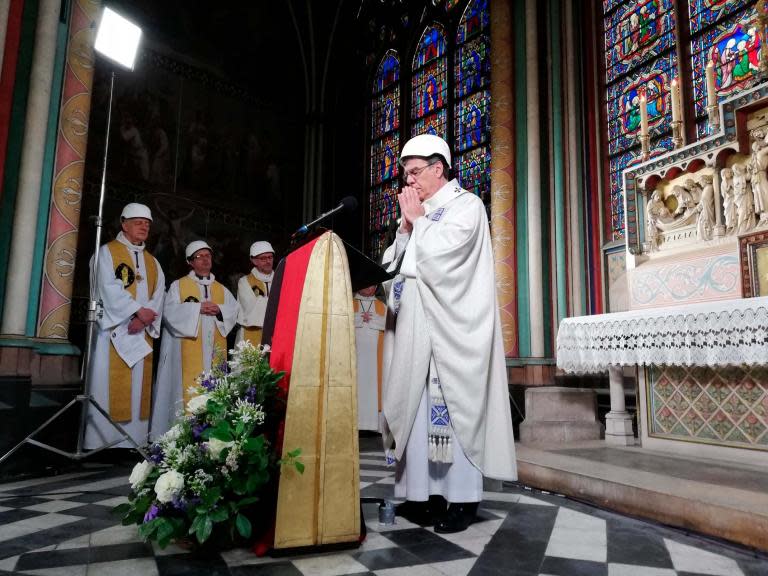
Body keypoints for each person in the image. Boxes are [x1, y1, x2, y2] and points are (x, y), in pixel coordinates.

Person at [380, 134, 517, 534]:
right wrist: (405, 231)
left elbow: (446, 260)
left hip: (451, 335)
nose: (410, 183)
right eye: (406, 176)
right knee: (418, 413)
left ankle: (462, 500)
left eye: (416, 173)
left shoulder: (467, 206)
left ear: (439, 168)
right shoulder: (419, 214)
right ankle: (422, 497)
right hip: (416, 334)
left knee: (452, 411)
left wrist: (417, 223)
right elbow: (395, 270)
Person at [84, 203, 165, 450]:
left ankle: (134, 441)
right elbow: (106, 287)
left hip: (139, 333)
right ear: (124, 224)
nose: (144, 227)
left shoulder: (153, 262)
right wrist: (136, 311)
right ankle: (103, 442)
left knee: (138, 387)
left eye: (147, 224)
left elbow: (159, 293)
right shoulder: (107, 253)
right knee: (107, 385)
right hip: (114, 332)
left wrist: (143, 318)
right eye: (139, 222)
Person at [151, 240, 238, 437]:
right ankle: (181, 435)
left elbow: (234, 311)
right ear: (190, 262)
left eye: (208, 256)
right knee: (186, 390)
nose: (206, 260)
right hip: (186, 352)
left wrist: (220, 309)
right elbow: (169, 312)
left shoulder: (221, 289)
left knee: (215, 388)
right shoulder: (178, 286)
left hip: (213, 351)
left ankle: (213, 434)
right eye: (200, 256)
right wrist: (197, 308)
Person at [354, 285, 386, 432]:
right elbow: (342, 322)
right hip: (355, 361)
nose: (369, 287)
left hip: (376, 361)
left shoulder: (383, 307)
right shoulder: (349, 304)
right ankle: (355, 424)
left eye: (373, 285)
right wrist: (359, 319)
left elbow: (390, 324)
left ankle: (375, 426)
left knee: (375, 387)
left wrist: (372, 320)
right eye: (366, 283)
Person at [236, 241, 275, 346]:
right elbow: (251, 308)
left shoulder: (281, 279)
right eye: (263, 258)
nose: (268, 261)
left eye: (270, 257)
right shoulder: (244, 281)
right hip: (250, 335)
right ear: (254, 260)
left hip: (276, 335)